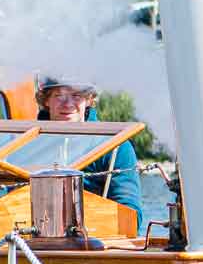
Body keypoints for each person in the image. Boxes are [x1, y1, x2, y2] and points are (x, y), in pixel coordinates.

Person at [37, 79, 143, 214]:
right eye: (59, 96)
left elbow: (130, 211)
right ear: (46, 100)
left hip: (94, 233)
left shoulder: (116, 146)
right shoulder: (22, 145)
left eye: (76, 96)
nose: (68, 104)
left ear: (88, 99)